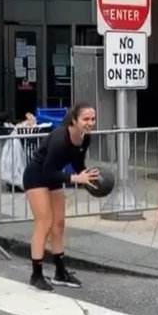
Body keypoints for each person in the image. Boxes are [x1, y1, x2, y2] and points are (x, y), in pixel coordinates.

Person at [21, 102, 99, 290]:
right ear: (74, 120)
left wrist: (88, 175)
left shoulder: (84, 138)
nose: (90, 123)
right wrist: (75, 178)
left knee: (59, 223)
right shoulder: (59, 138)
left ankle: (60, 272)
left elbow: (78, 163)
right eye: (86, 119)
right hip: (37, 176)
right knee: (44, 222)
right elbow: (47, 171)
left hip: (55, 175)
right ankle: (36, 274)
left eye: (93, 119)